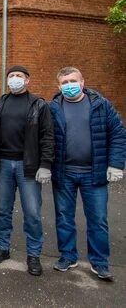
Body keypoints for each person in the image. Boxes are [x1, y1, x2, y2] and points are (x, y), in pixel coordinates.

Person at [49, 67, 125, 281]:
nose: (69, 85)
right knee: (64, 217)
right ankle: (67, 256)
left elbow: (118, 134)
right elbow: (45, 138)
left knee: (98, 219)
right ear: (59, 86)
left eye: (73, 80)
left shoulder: (100, 105)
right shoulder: (53, 107)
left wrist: (116, 164)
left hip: (95, 173)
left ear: (82, 82)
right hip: (64, 172)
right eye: (64, 82)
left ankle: (100, 262)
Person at [0, 65, 54, 276]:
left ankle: (33, 255)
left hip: (28, 167)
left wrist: (45, 164)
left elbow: (47, 137)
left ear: (27, 80)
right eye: (11, 76)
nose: (15, 79)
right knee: (2, 210)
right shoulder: (1, 103)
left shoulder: (38, 105)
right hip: (4, 165)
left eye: (19, 76)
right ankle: (2, 248)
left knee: (32, 213)